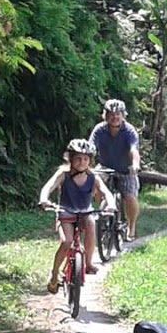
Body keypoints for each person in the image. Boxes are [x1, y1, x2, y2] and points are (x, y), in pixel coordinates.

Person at [39, 139, 117, 293]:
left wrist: (111, 204)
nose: (82, 162)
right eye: (78, 158)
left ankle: (88, 262)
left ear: (91, 160)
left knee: (91, 224)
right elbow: (49, 186)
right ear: (71, 158)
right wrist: (44, 199)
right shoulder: (64, 174)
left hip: (85, 212)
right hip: (66, 212)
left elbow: (105, 191)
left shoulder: (93, 176)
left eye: (86, 159)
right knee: (67, 241)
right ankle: (55, 273)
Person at [89, 98, 142, 240]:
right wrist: (87, 164)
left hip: (126, 169)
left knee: (130, 197)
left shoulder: (129, 131)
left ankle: (131, 228)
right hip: (105, 167)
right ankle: (103, 213)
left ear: (123, 115)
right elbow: (91, 147)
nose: (115, 117)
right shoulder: (99, 130)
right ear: (105, 116)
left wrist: (135, 165)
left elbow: (133, 150)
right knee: (94, 184)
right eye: (111, 114)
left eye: (118, 114)